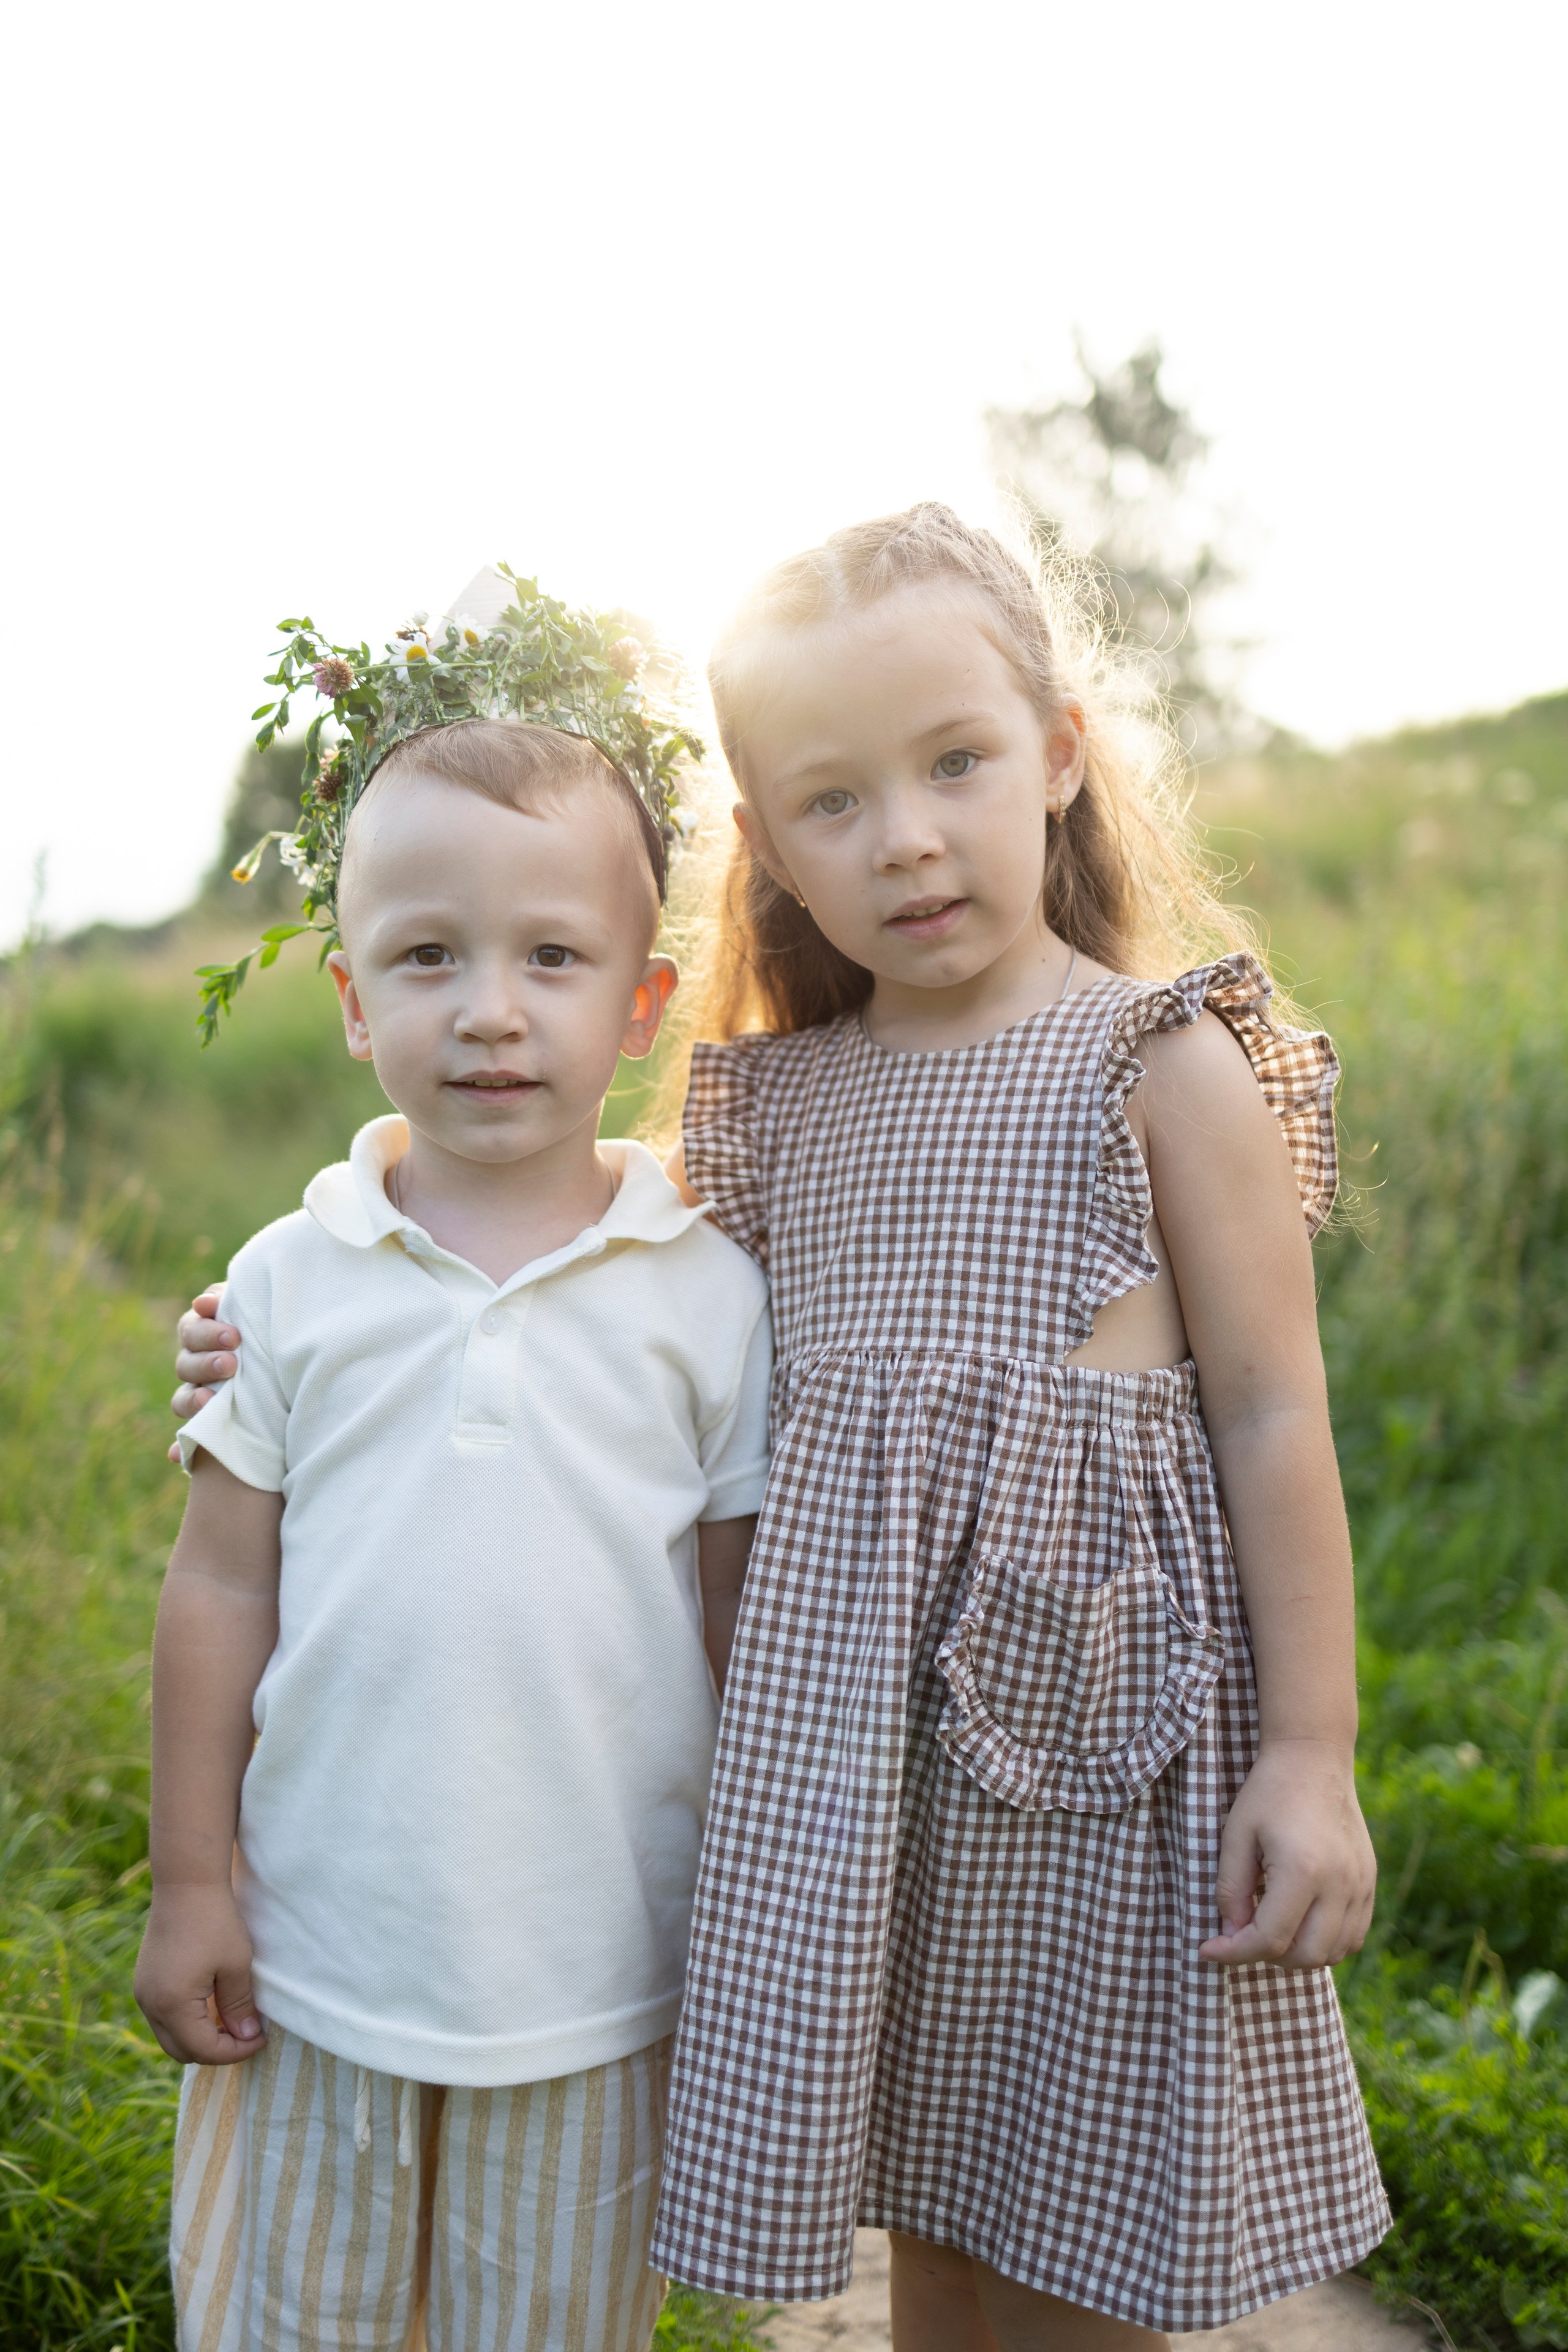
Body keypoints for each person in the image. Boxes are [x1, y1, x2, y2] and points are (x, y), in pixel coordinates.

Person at [175, 507, 1390, 2351]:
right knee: (933, 2239)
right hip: (854, 1801)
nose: (903, 834)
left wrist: (1310, 1750)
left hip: (1097, 1769)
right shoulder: (770, 1115)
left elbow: (1275, 1414)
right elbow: (567, 1280)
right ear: (766, 853)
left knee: (1082, 2235)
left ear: (1060, 755)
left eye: (958, 764)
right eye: (830, 801)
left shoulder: (1163, 1058)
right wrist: (276, 1325)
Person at [143, 655, 772, 2348]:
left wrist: (742, 1905)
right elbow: (217, 1596)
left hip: (594, 1977)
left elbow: (732, 1617)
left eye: (552, 958)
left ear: (641, 1006)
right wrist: (190, 1883)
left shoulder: (707, 1295)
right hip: (316, 1966)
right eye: (430, 957)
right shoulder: (288, 1283)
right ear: (354, 1000)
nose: (491, 1010)